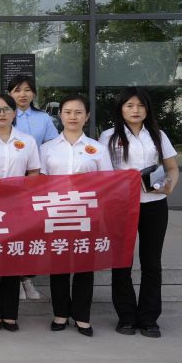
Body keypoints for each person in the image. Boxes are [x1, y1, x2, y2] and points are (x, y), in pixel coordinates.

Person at [99, 87, 180, 338]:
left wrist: (168, 187)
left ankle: (148, 318)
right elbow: (103, 173)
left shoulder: (158, 135)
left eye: (141, 105)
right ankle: (126, 317)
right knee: (122, 261)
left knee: (151, 262)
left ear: (147, 109)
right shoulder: (108, 136)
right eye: (130, 105)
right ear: (121, 109)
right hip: (121, 206)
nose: (135, 110)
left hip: (154, 204)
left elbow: (172, 168)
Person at [39, 94, 112, 337]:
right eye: (68, 112)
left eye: (78, 112)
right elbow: (39, 184)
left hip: (87, 215)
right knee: (58, 265)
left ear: (87, 116)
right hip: (56, 214)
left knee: (84, 267)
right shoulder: (47, 148)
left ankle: (82, 316)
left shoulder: (98, 149)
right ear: (60, 115)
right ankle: (60, 313)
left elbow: (107, 184)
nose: (73, 116)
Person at [0, 92, 41, 332]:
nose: (1, 114)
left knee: (13, 257)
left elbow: (34, 172)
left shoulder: (27, 141)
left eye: (6, 109)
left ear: (14, 113)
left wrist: (20, 187)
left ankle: (10, 314)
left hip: (17, 207)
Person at [6, 74, 56, 301]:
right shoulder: (5, 114)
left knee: (31, 231)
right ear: (10, 94)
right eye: (17, 90)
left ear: (34, 93)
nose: (22, 94)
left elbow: (52, 146)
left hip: (36, 179)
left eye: (27, 90)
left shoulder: (43, 118)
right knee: (11, 230)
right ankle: (13, 278)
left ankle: (27, 278)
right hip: (11, 180)